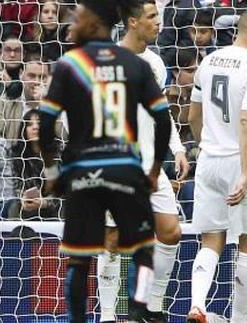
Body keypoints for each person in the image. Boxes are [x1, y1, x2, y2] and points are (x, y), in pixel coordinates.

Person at [37, 1, 172, 322]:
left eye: (80, 16)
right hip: (126, 171)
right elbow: (163, 120)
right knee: (143, 250)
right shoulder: (133, 64)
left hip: (84, 173)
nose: (75, 20)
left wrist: (53, 171)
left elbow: (44, 126)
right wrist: (153, 171)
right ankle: (139, 309)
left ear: (95, 22)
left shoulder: (71, 64)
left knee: (79, 260)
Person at [97, 2, 189, 322]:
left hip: (151, 165)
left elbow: (160, 112)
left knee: (171, 232)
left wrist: (177, 148)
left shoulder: (154, 63)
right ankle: (107, 315)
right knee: (111, 239)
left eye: (158, 16)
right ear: (133, 22)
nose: (159, 23)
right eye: (152, 17)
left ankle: (152, 307)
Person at [186, 11, 247, 323]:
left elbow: (192, 117)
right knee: (246, 243)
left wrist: (204, 146)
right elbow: (245, 121)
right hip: (239, 161)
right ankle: (239, 318)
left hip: (208, 159)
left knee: (211, 240)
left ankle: (197, 305)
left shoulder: (208, 62)